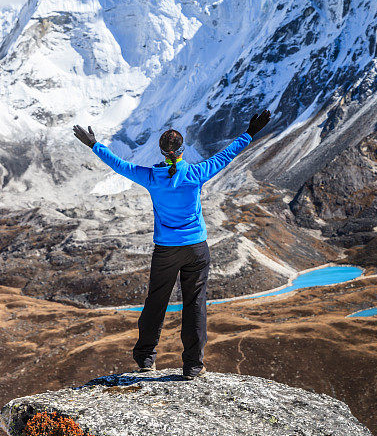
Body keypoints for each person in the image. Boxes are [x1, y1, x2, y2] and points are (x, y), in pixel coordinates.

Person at [73, 109, 270, 380]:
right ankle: (192, 366)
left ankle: (145, 359)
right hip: (196, 249)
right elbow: (226, 155)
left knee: (156, 302)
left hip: (165, 250)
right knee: (195, 304)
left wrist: (94, 145)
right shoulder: (197, 173)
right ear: (182, 150)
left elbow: (119, 165)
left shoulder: (152, 177)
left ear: (161, 151)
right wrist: (249, 132)